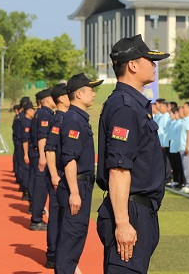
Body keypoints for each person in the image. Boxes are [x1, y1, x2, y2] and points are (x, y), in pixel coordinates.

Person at [96, 34, 169, 274]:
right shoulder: (126, 107)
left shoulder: (132, 104)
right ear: (133, 65)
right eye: (149, 59)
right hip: (130, 211)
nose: (154, 64)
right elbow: (118, 168)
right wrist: (123, 222)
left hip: (138, 210)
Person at [54, 73, 103, 274]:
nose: (93, 93)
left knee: (77, 234)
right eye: (91, 90)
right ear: (79, 94)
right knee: (71, 236)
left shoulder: (79, 118)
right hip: (77, 186)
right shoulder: (74, 119)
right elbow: (69, 159)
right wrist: (74, 192)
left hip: (82, 185)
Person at [42, 83, 70, 269]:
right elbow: (50, 147)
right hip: (57, 174)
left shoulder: (64, 118)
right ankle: (53, 254)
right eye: (68, 94)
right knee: (57, 213)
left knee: (61, 214)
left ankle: (57, 251)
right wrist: (53, 174)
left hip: (61, 173)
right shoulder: (58, 120)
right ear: (61, 98)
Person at [28, 88, 55, 231]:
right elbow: (42, 137)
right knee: (41, 187)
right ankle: (36, 219)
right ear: (46, 100)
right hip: (40, 154)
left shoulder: (41, 113)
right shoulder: (45, 113)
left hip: (37, 153)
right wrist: (43, 158)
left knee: (40, 186)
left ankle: (36, 215)